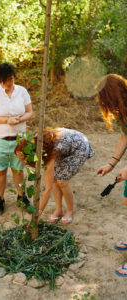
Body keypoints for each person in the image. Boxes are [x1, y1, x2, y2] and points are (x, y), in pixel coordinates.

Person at [15, 127, 95, 224]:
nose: (22, 162)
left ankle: (70, 211)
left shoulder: (46, 151)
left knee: (62, 181)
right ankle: (59, 210)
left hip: (78, 147)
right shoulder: (33, 144)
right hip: (62, 147)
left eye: (23, 158)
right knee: (54, 180)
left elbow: (48, 190)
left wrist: (37, 215)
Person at [0, 63, 33, 215]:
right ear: (0, 79)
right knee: (0, 171)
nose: (9, 83)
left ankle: (21, 196)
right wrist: (7, 120)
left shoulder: (22, 91)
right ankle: (0, 199)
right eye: (5, 80)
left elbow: (29, 112)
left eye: (11, 79)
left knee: (18, 169)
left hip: (19, 139)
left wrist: (19, 119)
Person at [96, 74, 127, 276]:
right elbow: (125, 136)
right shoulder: (123, 112)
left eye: (106, 99)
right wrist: (111, 163)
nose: (106, 105)